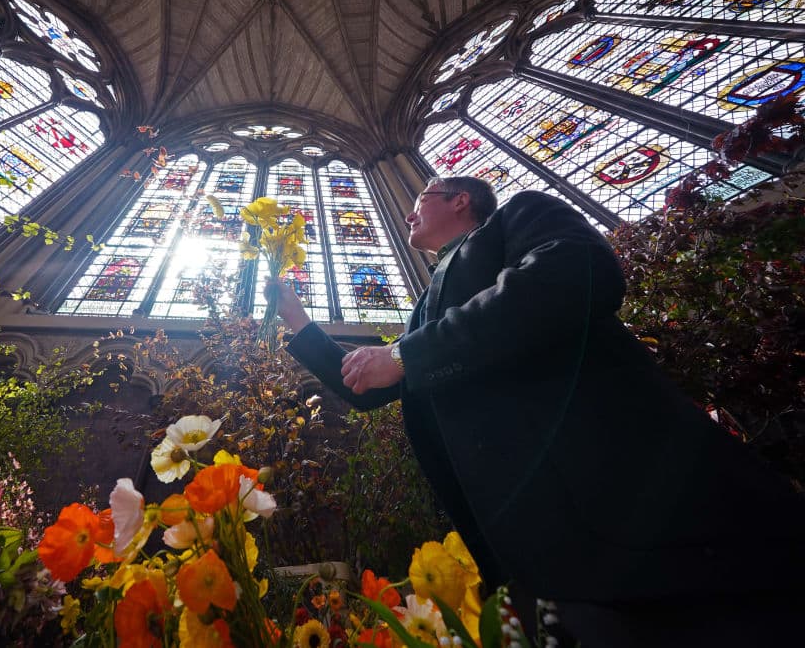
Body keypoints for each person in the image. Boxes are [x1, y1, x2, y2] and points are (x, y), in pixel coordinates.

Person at [266, 177, 805, 646]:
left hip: (642, 514)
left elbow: (576, 271)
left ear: (460, 201)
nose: (409, 214)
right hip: (537, 550)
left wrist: (407, 355)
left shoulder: (518, 216)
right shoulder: (426, 305)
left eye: (421, 198)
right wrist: (297, 319)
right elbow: (368, 385)